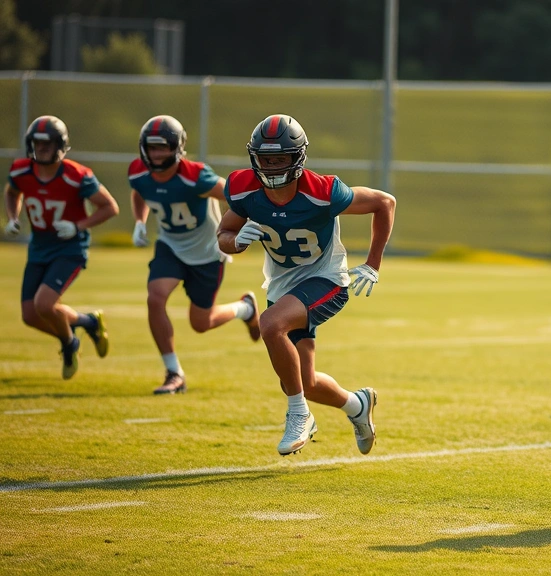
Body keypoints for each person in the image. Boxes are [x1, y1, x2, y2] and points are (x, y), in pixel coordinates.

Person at [217, 114, 396, 456]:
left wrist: (373, 264)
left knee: (270, 325)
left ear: (297, 157)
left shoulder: (323, 191)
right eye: (266, 159)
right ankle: (357, 405)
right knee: (303, 381)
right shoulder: (244, 189)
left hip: (325, 280)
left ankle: (299, 415)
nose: (272, 167)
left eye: (280, 158)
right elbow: (223, 234)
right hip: (282, 286)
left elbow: (384, 202)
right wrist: (236, 241)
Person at [130, 115, 261, 395]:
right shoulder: (138, 172)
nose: (157, 154)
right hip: (171, 246)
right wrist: (140, 221)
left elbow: (232, 194)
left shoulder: (195, 176)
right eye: (152, 147)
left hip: (207, 252)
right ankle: (174, 372)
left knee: (201, 323)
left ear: (176, 148)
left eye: (163, 147)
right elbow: (139, 192)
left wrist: (240, 225)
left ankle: (245, 309)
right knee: (155, 297)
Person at [3, 115, 119, 379]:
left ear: (60, 145)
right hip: (39, 246)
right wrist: (12, 217)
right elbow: (11, 192)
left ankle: (70, 343)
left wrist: (78, 226)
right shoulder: (21, 170)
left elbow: (110, 207)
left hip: (69, 248)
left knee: (44, 305)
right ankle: (88, 322)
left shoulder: (77, 175)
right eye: (37, 143)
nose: (42, 149)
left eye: (48, 144)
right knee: (30, 315)